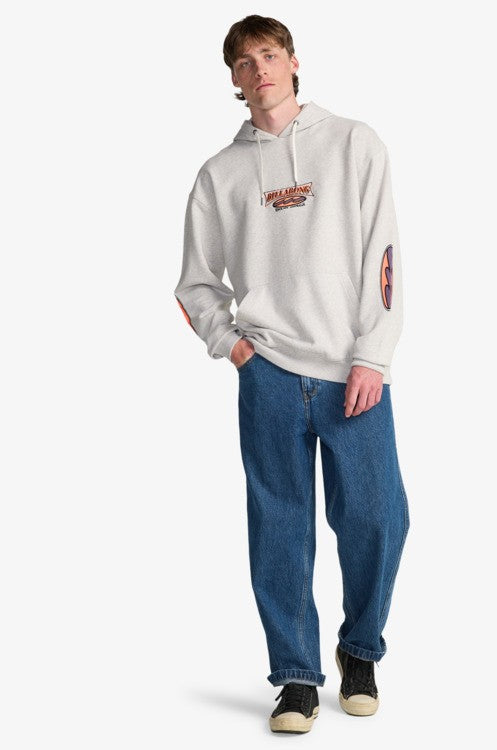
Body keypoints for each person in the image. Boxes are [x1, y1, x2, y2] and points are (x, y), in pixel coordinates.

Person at [174, 14, 410, 734]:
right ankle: (297, 677)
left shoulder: (353, 143)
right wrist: (235, 348)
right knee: (279, 529)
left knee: (378, 518)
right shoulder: (220, 174)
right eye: (244, 63)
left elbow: (382, 257)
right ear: (233, 79)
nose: (260, 70)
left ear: (294, 61)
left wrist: (372, 355)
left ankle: (360, 649)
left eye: (269, 55)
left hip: (351, 370)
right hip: (269, 374)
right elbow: (195, 285)